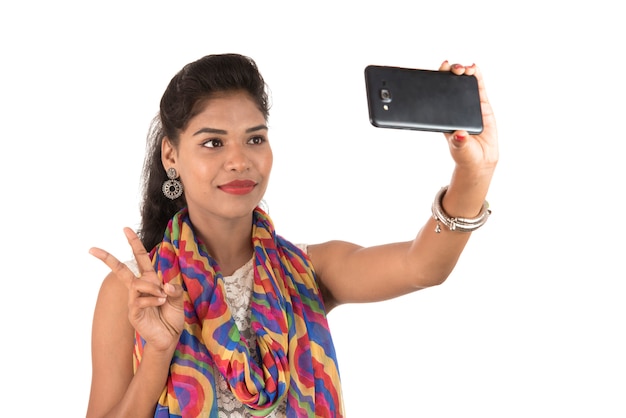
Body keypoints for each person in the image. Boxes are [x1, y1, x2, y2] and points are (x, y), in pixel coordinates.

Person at [86, 53, 498, 418]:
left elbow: (422, 266)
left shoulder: (306, 271)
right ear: (171, 155)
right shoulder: (136, 293)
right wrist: (158, 352)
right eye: (213, 142)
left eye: (255, 139)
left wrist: (474, 173)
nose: (239, 160)